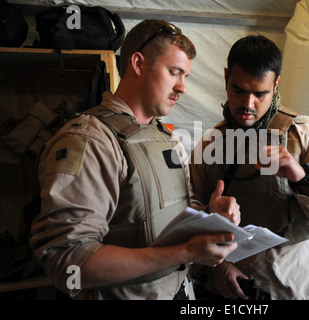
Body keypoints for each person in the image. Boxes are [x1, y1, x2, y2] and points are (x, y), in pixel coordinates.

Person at [30, 19, 241, 300]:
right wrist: (186, 252)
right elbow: (68, 263)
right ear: (138, 64)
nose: (182, 88)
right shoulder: (90, 141)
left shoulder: (166, 138)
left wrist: (207, 216)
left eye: (185, 77)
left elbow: (169, 209)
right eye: (174, 73)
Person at [189, 35, 309, 300]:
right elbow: (187, 223)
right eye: (239, 90)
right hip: (232, 291)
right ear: (225, 78)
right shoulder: (209, 144)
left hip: (298, 289)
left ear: (276, 84)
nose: (248, 104)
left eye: (260, 93)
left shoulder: (305, 138)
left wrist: (302, 177)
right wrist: (218, 267)